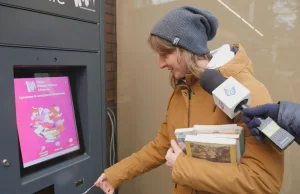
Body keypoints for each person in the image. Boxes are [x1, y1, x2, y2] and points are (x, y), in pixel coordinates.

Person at [94, 6, 284, 194]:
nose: (161, 64)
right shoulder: (183, 88)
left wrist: (183, 166)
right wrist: (115, 174)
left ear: (186, 49)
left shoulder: (248, 91)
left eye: (165, 53)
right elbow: (162, 146)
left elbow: (263, 182)